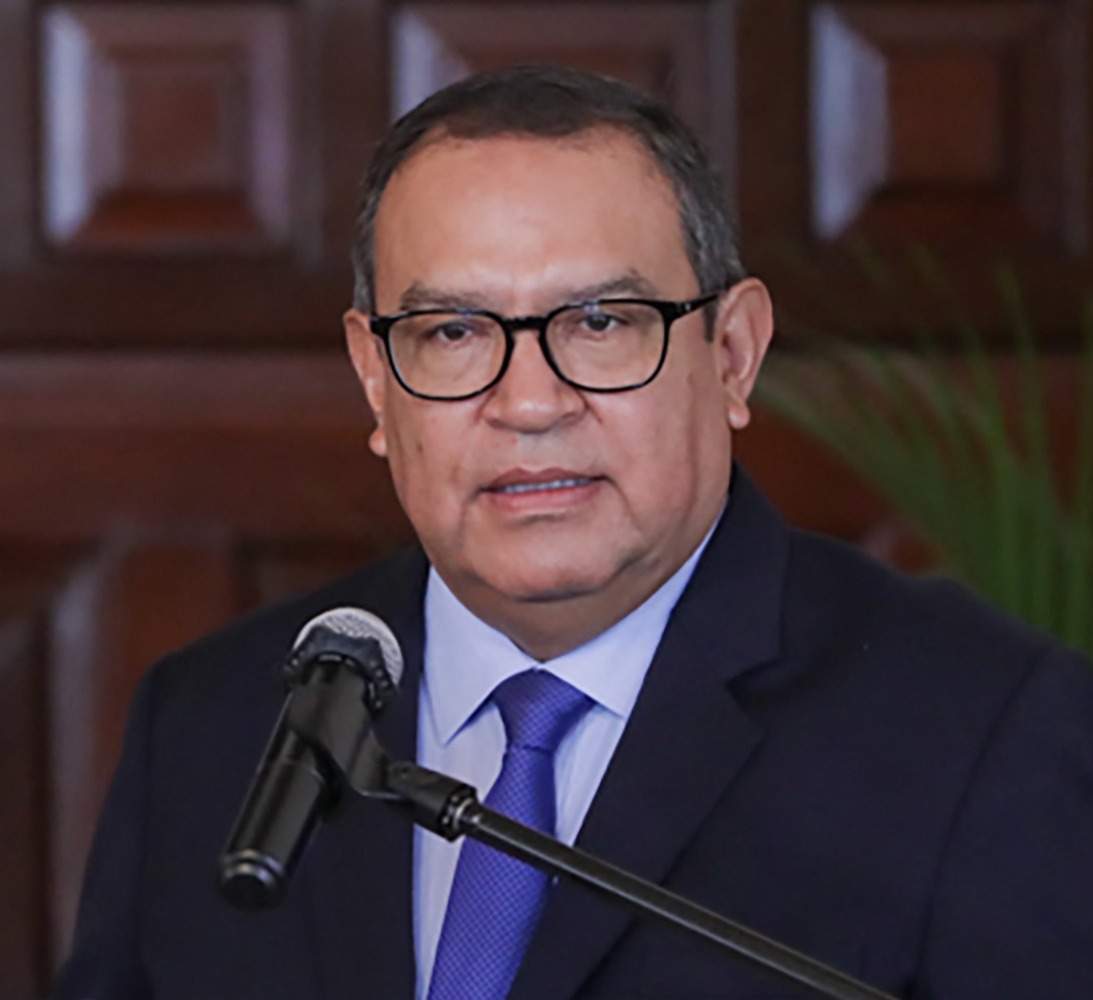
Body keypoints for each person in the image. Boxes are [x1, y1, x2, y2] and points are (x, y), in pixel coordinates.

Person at [54, 64, 1093, 1000]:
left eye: (599, 323)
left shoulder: (980, 730)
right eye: (452, 332)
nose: (529, 403)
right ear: (376, 379)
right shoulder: (213, 720)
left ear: (732, 354)